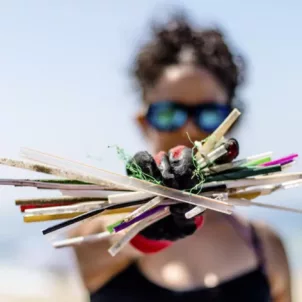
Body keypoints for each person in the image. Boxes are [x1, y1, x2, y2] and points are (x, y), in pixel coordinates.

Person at [70, 13, 291, 302]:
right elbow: (111, 237)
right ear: (143, 122)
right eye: (169, 114)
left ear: (231, 124)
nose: (189, 129)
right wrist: (145, 224)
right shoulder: (97, 234)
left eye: (209, 115)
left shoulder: (265, 245)